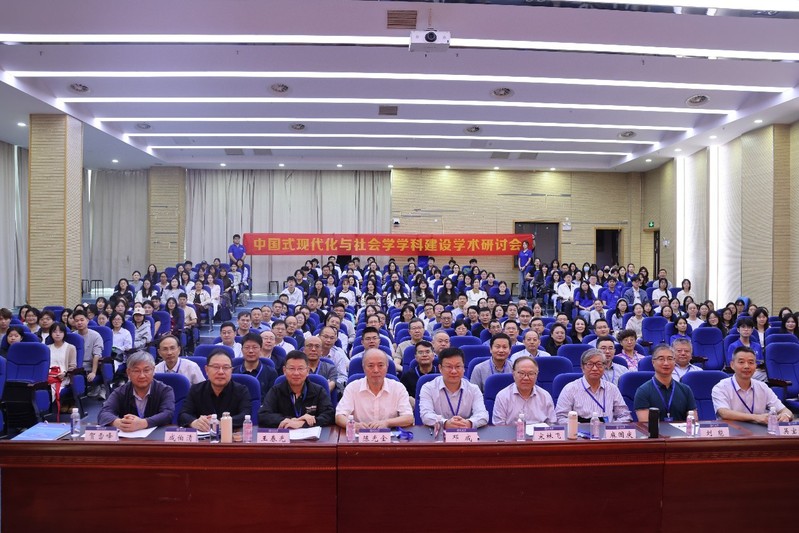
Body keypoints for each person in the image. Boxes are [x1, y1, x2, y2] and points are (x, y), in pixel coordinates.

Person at [335, 348, 414, 430]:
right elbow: (339, 416)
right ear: (364, 368)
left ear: (387, 367)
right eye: (370, 366)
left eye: (380, 365)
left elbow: (408, 417)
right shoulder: (352, 388)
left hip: (390, 435)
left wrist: (387, 423)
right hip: (360, 435)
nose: (376, 370)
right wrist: (354, 425)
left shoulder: (398, 388)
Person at [712, 346, 793, 424]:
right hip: (731, 431)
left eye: (751, 362)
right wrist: (756, 417)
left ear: (755, 366)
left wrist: (785, 415)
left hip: (759, 432)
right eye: (741, 362)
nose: (746, 366)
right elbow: (724, 413)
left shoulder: (762, 387)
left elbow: (786, 411)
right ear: (732, 365)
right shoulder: (721, 387)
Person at [97, 352, 176, 432]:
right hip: (128, 437)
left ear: (153, 370)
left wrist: (142, 423)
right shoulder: (120, 392)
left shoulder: (165, 390)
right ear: (128, 372)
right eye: (136, 371)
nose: (142, 376)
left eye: (146, 370)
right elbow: (103, 413)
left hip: (156, 437)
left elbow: (168, 414)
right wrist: (119, 423)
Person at [258, 350, 335, 428]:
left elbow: (330, 415)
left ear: (307, 371)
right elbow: (263, 415)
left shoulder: (318, 391)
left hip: (311, 434)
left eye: (300, 369)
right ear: (284, 370)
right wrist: (289, 420)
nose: (296, 373)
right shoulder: (276, 391)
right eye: (292, 368)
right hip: (285, 432)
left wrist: (304, 423)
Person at [179, 348, 251, 430]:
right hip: (203, 436)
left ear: (231, 370)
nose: (221, 372)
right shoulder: (196, 390)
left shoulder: (241, 391)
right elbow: (183, 415)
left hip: (231, 436)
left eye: (225, 367)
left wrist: (222, 423)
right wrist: (194, 422)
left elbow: (245, 415)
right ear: (206, 370)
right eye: (216, 367)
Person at [555, 348, 632, 424]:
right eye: (590, 364)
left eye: (599, 364)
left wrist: (610, 426)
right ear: (582, 367)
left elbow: (625, 416)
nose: (595, 368)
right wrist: (579, 426)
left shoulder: (612, 389)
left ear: (604, 367)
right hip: (579, 431)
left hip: (607, 431)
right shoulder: (570, 389)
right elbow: (560, 418)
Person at [419, 347, 488, 429]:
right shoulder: (428, 388)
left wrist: (469, 423)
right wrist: (445, 423)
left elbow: (483, 415)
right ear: (440, 368)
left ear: (463, 368)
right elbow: (426, 415)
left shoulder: (473, 389)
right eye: (449, 367)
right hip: (439, 433)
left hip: (466, 433)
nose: (454, 371)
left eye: (458, 366)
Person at [633, 344, 697, 422]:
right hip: (654, 430)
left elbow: (693, 422)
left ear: (674, 362)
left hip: (681, 430)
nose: (666, 363)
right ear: (653, 362)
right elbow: (645, 424)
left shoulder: (686, 390)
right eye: (661, 359)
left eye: (670, 359)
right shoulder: (643, 391)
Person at [492, 356, 556, 425]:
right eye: (521, 373)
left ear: (537, 375)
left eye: (531, 373)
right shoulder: (502, 396)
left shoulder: (545, 396)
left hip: (538, 432)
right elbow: (499, 426)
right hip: (511, 432)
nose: (526, 378)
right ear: (513, 374)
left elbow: (552, 424)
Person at [233, 332, 278, 401]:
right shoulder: (233, 372)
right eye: (247, 347)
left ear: (260, 349)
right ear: (242, 350)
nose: (251, 351)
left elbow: (272, 399)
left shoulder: (271, 373)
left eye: (255, 347)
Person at [48, 322, 77, 412]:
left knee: (50, 391)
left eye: (60, 332)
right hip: (48, 377)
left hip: (63, 377)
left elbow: (73, 366)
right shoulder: (46, 348)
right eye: (55, 331)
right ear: (50, 333)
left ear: (64, 334)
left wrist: (65, 373)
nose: (57, 334)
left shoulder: (70, 348)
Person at [400, 340, 438, 407]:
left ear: (433, 355)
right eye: (420, 352)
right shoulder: (407, 376)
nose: (424, 355)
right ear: (416, 357)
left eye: (427, 352)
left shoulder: (441, 374)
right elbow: (402, 396)